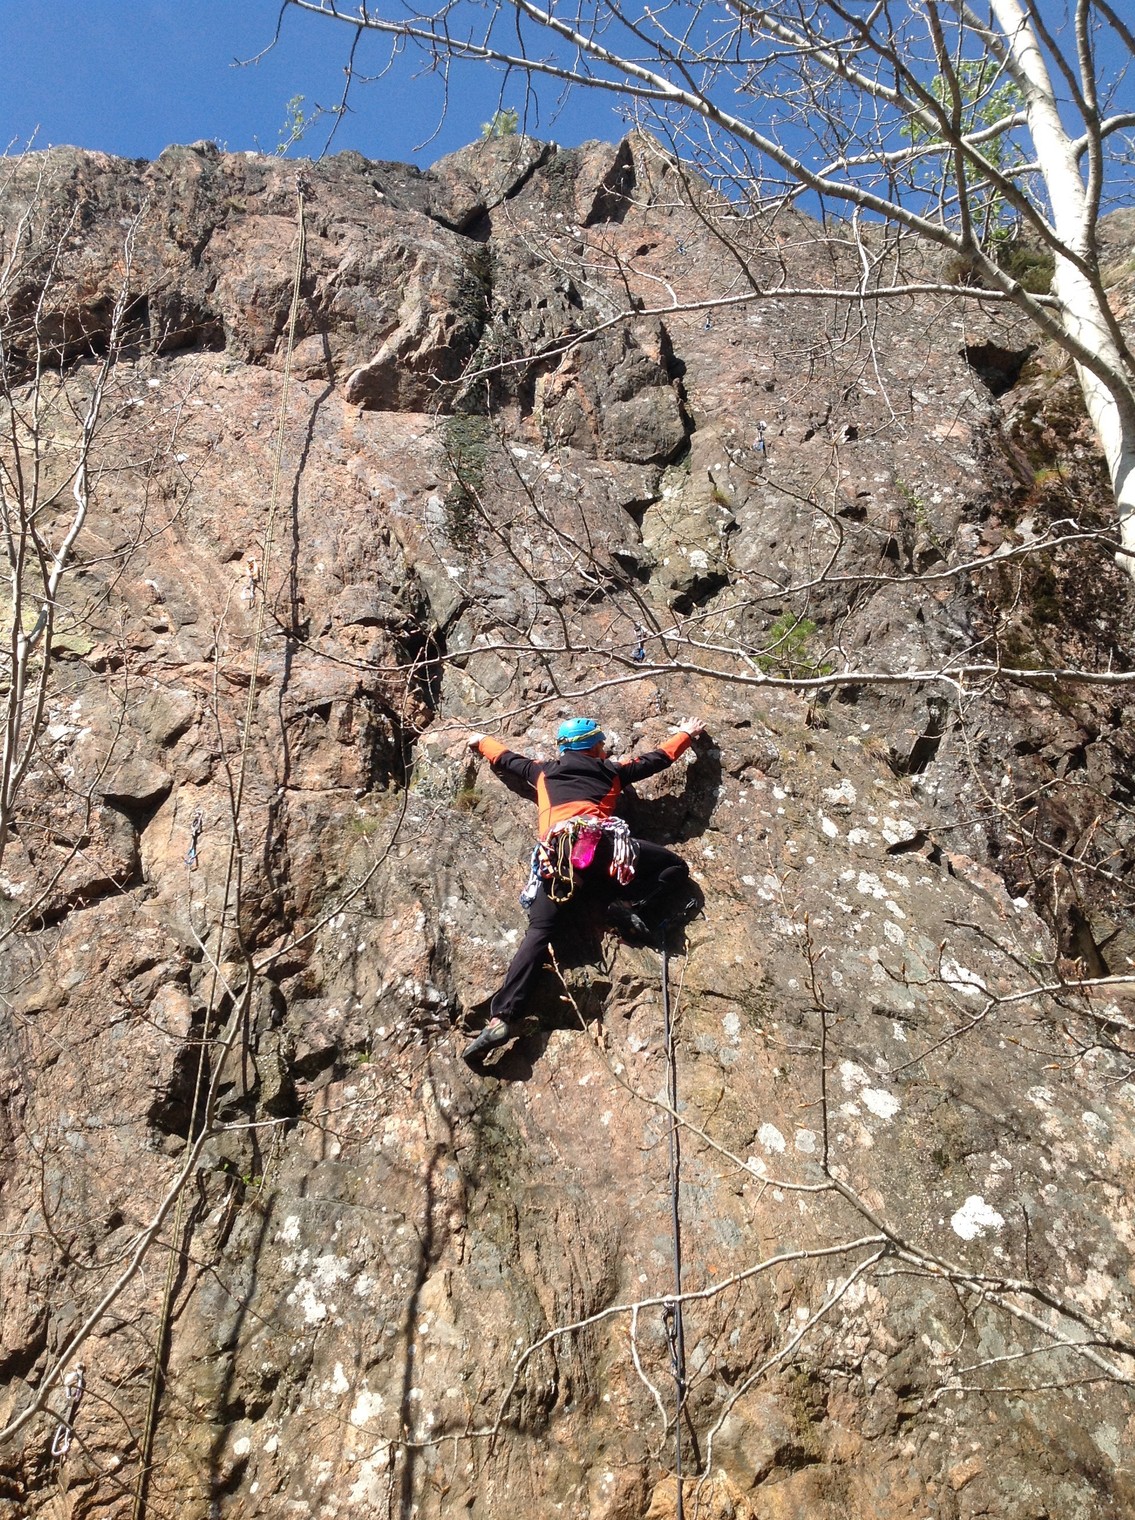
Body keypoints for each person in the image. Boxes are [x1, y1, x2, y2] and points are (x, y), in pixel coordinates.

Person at [462, 715, 705, 1062]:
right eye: (601, 743)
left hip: (558, 861)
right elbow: (657, 759)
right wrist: (685, 734)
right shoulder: (611, 771)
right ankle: (631, 909)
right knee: (674, 867)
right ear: (591, 747)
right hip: (602, 852)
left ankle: (501, 1018)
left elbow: (507, 759)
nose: (605, 748)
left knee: (540, 932)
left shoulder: (542, 772)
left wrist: (480, 740)